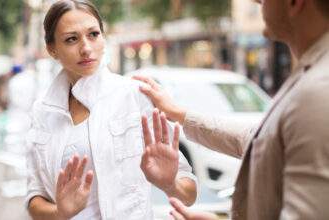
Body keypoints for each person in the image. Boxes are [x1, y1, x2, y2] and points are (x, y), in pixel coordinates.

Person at [134, 0, 329, 219]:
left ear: (295, 3)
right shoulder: (312, 75)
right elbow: (257, 140)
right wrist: (178, 114)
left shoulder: (317, 91)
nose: (256, 2)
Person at [25, 1, 197, 220]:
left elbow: (189, 195)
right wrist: (60, 212)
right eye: (71, 39)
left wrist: (170, 184)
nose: (86, 48)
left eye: (93, 34)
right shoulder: (42, 111)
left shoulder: (135, 95)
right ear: (52, 49)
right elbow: (34, 197)